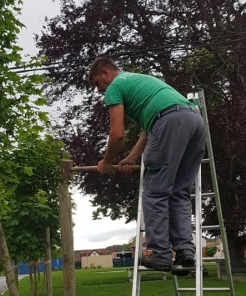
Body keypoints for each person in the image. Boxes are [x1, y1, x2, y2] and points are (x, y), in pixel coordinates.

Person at [88, 57, 206, 275]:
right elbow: (150, 126)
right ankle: (184, 253)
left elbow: (117, 134)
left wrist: (106, 162)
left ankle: (160, 255)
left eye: (97, 83)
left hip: (169, 122)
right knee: (179, 192)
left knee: (155, 192)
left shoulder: (114, 87)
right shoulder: (140, 80)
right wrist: (132, 157)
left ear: (105, 73)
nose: (99, 89)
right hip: (195, 122)